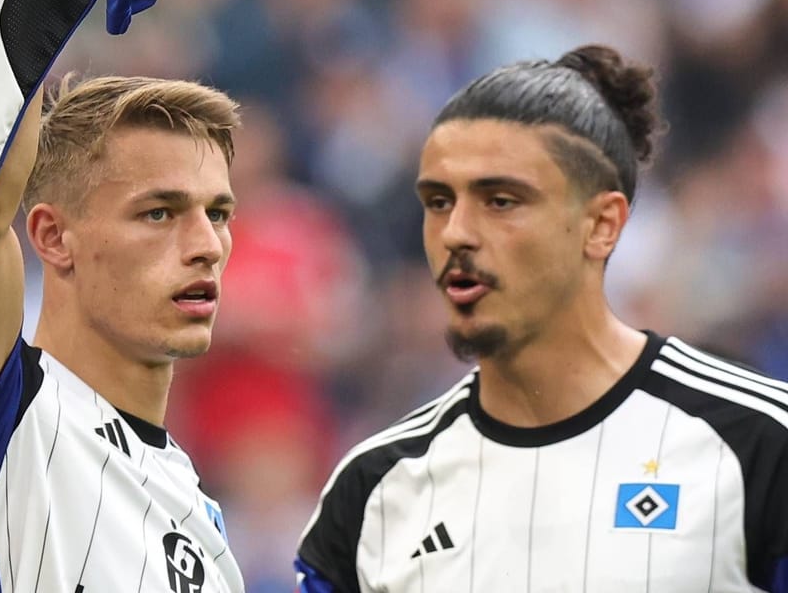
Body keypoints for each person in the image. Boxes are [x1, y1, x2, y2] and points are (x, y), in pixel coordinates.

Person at [295, 45, 788, 593]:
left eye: (500, 201)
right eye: (438, 202)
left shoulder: (761, 446)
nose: (455, 232)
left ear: (602, 225)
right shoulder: (373, 492)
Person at [0, 75, 246, 591]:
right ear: (52, 237)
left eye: (218, 213)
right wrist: (40, 2)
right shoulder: (1, 421)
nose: (207, 245)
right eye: (159, 213)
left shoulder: (203, 521)